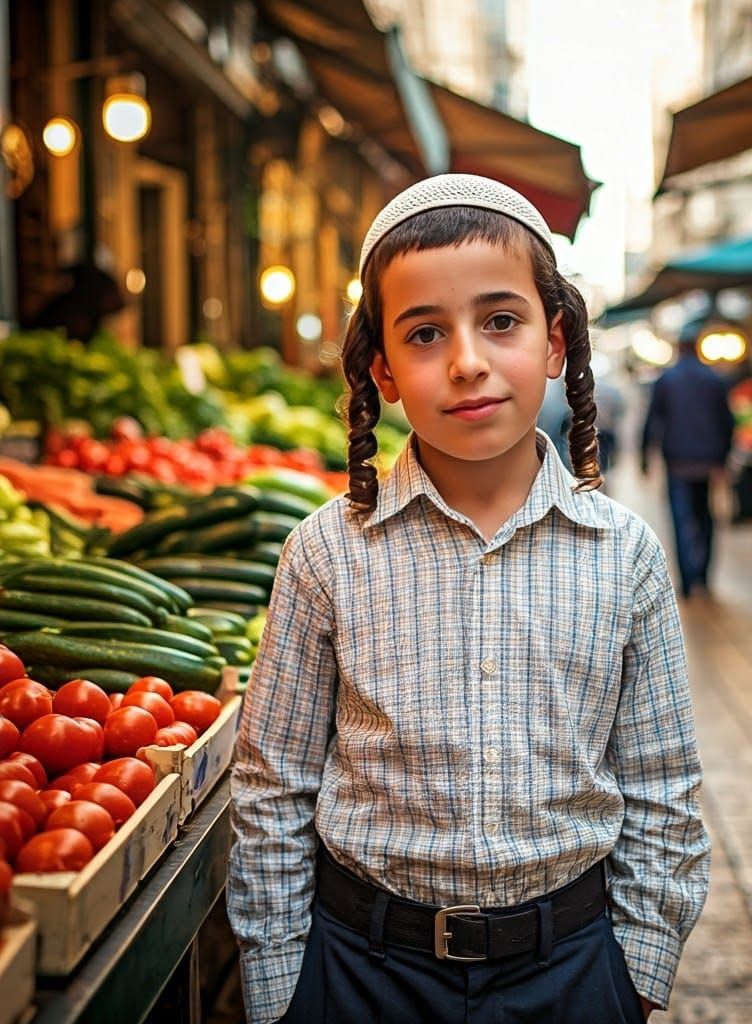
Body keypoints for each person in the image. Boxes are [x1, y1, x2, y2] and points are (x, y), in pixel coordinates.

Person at [228, 174, 709, 1024]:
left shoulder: (624, 553)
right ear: (382, 368)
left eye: (500, 321)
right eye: (424, 333)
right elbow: (274, 786)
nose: (468, 361)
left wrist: (634, 977)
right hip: (362, 972)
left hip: (571, 971)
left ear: (555, 342)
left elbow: (662, 785)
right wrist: (281, 994)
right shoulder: (325, 553)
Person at [640, 320, 735, 597]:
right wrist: (724, 457)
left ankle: (687, 581)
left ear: (679, 347)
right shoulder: (715, 379)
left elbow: (652, 420)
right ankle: (704, 577)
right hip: (708, 461)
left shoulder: (666, 380)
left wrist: (645, 456)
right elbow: (728, 422)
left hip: (678, 461)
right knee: (706, 517)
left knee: (681, 518)